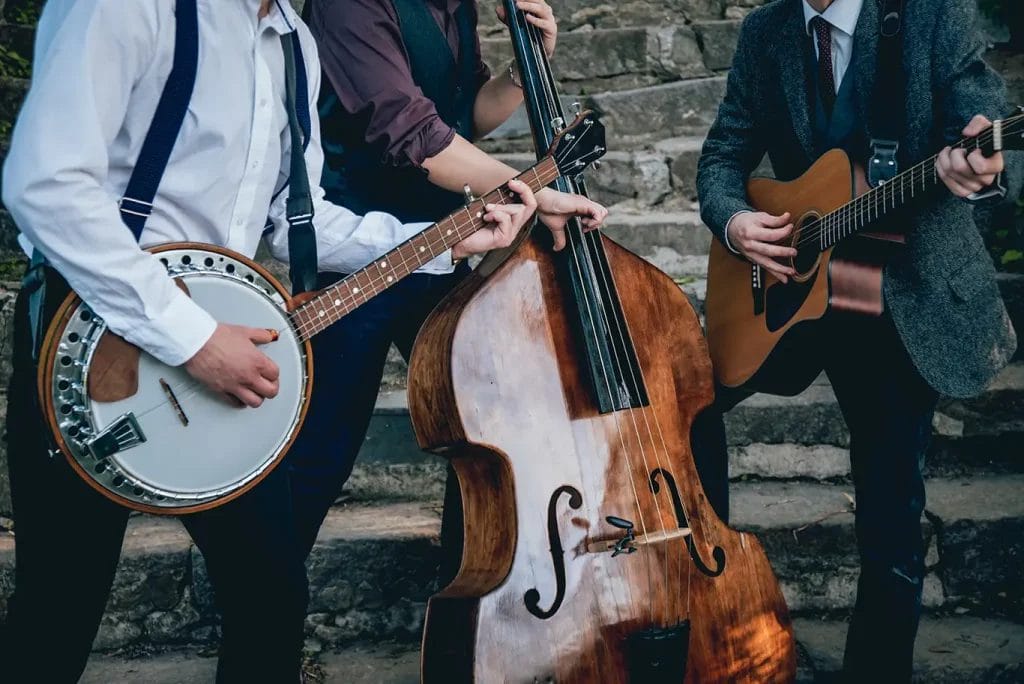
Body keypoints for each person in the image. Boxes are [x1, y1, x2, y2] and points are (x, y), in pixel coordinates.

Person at [0, 0, 603, 681]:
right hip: (93, 345)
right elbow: (44, 186)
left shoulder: (294, 46)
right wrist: (194, 338)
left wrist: (443, 242)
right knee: (58, 613)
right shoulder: (129, 8)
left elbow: (301, 225)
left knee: (271, 597)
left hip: (218, 367)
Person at [697, 0, 1020, 680]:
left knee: (889, 511)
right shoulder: (767, 31)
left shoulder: (932, 14)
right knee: (686, 402)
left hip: (901, 292)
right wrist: (736, 226)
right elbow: (725, 154)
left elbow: (981, 110)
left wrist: (981, 160)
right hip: (788, 285)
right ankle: (706, 593)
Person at [291, 0, 609, 570]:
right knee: (317, 459)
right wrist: (528, 189)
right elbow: (409, 129)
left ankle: (477, 586)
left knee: (491, 427)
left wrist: (521, 70)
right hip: (358, 259)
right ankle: (266, 602)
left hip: (442, 248)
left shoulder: (456, 7)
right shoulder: (350, 6)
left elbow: (462, 117)